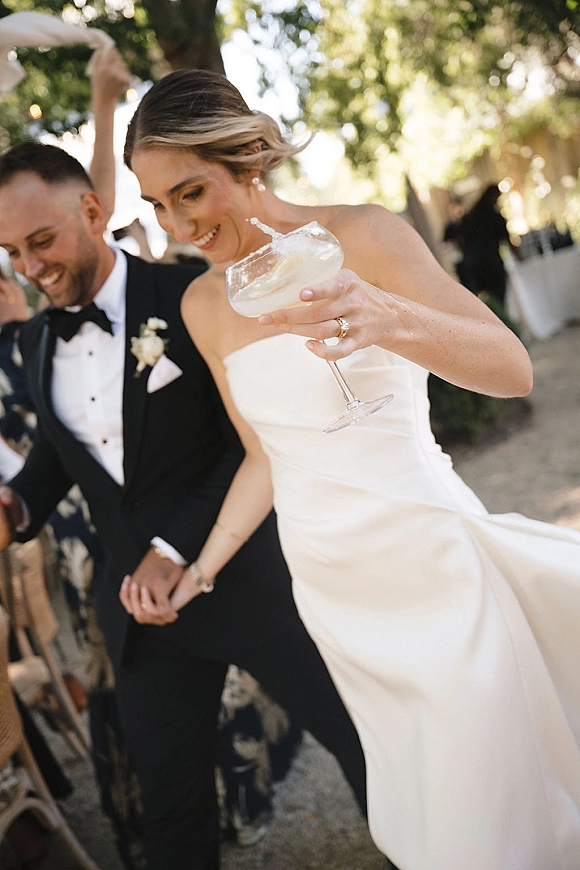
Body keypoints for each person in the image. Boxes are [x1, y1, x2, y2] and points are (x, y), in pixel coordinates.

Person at [122, 68, 580, 870]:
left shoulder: (362, 233)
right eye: (157, 205)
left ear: (248, 160)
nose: (176, 223)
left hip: (429, 556)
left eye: (190, 192)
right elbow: (266, 454)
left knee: (493, 800)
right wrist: (198, 567)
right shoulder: (201, 306)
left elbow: (513, 369)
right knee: (431, 807)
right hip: (332, 587)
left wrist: (387, 315)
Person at [0, 140, 368, 870]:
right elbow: (63, 453)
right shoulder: (37, 341)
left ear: (94, 210)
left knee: (365, 746)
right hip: (142, 615)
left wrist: (176, 552)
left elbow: (249, 439)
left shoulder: (193, 296)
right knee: (173, 816)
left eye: (41, 241)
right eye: (9, 251)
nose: (29, 267)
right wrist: (14, 508)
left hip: (257, 582)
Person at [459, 182, 521, 305]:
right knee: (498, 298)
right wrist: (520, 257)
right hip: (491, 262)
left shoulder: (470, 217)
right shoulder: (494, 217)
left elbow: (462, 242)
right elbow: (507, 240)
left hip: (473, 263)